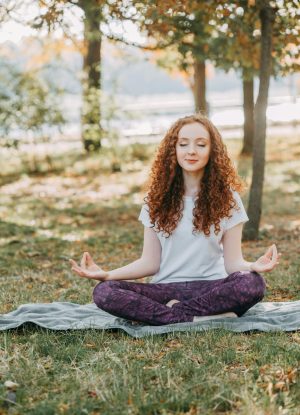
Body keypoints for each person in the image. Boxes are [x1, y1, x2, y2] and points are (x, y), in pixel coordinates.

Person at [69, 114, 280, 326]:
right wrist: (106, 275)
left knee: (252, 283)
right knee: (104, 292)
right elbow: (149, 263)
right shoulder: (156, 200)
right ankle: (201, 317)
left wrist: (253, 265)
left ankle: (175, 314)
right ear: (174, 149)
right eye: (183, 144)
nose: (191, 151)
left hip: (213, 288)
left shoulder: (229, 199)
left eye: (201, 144)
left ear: (212, 151)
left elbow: (233, 262)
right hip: (164, 289)